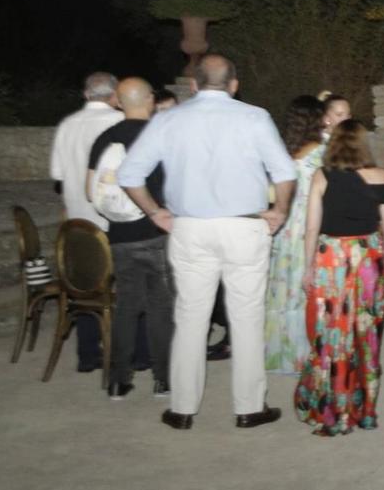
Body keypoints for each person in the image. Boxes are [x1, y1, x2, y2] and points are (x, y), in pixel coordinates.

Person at [117, 54, 296, 431]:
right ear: (234, 85)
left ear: (194, 85)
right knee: (247, 318)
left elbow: (130, 174)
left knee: (190, 318)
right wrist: (279, 210)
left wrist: (155, 212)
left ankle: (182, 408)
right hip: (243, 227)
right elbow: (284, 171)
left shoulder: (167, 120)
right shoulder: (254, 117)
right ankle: (249, 407)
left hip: (190, 229)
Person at [294, 120, 384, 436]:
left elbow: (311, 227)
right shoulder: (382, 177)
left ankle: (333, 411)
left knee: (332, 333)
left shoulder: (322, 176)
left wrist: (308, 265)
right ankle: (364, 410)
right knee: (365, 334)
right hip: (367, 258)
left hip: (331, 259)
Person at [85, 77, 171, 400]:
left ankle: (118, 381)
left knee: (126, 307)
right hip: (157, 232)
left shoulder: (105, 139)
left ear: (118, 103)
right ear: (150, 99)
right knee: (161, 308)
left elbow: (90, 190)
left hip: (119, 234)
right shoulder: (160, 137)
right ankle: (163, 379)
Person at [50, 70, 123, 373]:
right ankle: (126, 351)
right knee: (129, 287)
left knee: (85, 288)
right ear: (114, 95)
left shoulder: (67, 125)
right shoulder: (119, 123)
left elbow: (57, 175)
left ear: (85, 94)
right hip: (112, 223)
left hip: (78, 226)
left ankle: (87, 355)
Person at [264, 95, 327, 377]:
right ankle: (304, 353)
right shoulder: (321, 153)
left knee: (282, 287)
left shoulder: (284, 152)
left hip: (286, 225)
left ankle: (280, 352)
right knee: (305, 287)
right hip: (310, 222)